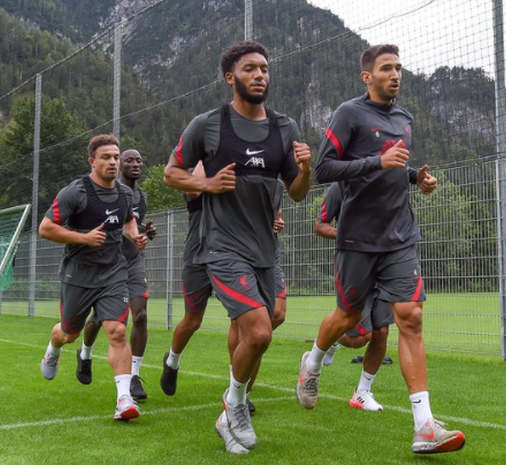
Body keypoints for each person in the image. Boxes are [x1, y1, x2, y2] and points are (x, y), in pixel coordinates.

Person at [295, 44, 465, 454]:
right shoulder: (349, 114)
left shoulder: (405, 118)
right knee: (348, 316)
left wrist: (415, 178)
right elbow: (324, 170)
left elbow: (396, 165)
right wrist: (378, 162)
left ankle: (424, 426)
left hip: (400, 235)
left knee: (411, 316)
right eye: (386, 68)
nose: (396, 74)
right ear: (367, 76)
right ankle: (312, 363)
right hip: (357, 238)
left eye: (399, 68)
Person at [163, 41, 312, 455]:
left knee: (263, 328)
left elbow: (297, 194)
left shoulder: (285, 128)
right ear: (231, 78)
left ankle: (232, 408)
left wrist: (305, 168)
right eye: (250, 69)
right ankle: (234, 405)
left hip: (265, 248)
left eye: (264, 68)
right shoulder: (208, 125)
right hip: (221, 246)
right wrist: (206, 183)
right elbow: (171, 174)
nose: (260, 75)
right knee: (260, 331)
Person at [160, 169, 287, 418]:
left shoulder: (258, 179)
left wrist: (275, 221)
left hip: (236, 258)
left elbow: (270, 213)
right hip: (199, 256)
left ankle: (238, 392)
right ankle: (172, 361)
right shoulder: (206, 174)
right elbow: (193, 189)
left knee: (249, 321)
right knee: (193, 319)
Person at [38, 134, 148, 421]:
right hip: (79, 275)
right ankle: (54, 346)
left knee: (117, 331)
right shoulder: (75, 192)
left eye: (115, 157)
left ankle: (123, 400)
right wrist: (83, 238)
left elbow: (127, 221)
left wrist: (135, 237)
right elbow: (46, 228)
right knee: (69, 332)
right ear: (92, 161)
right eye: (106, 157)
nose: (113, 162)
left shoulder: (125, 194)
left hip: (113, 273)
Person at [76, 149, 157, 401]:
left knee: (140, 315)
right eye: (129, 160)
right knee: (100, 318)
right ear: (118, 165)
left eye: (139, 160)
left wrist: (145, 233)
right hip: (109, 264)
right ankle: (85, 354)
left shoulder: (140, 197)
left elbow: (132, 226)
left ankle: (133, 376)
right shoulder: (109, 193)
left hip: (133, 263)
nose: (136, 164)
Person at [314, 182, 394, 412]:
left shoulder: (388, 182)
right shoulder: (339, 187)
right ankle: (330, 340)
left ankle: (362, 393)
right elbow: (320, 226)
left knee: (382, 330)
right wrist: (348, 235)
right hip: (354, 264)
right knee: (359, 337)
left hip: (387, 262)